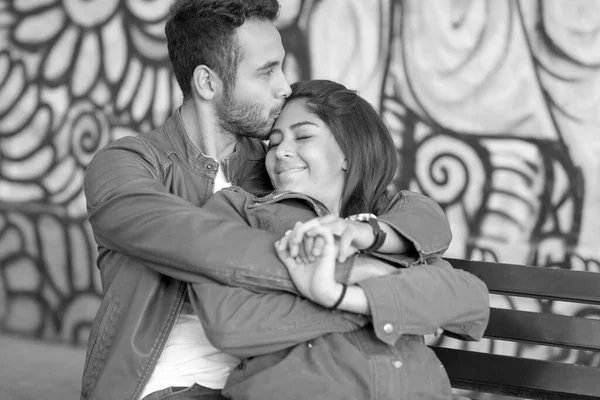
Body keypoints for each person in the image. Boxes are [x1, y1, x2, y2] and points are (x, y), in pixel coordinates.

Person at [80, 1, 455, 400]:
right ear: (208, 83)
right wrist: (348, 271)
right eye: (266, 72)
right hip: (166, 387)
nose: (285, 87)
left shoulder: (276, 165)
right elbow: (197, 242)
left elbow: (411, 211)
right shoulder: (128, 164)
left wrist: (370, 235)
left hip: (270, 382)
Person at [188, 80, 490, 400]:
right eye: (273, 144)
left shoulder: (393, 227)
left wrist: (333, 292)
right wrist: (384, 294)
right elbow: (231, 325)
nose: (282, 152)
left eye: (303, 135)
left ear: (348, 150)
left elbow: (468, 303)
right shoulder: (240, 211)